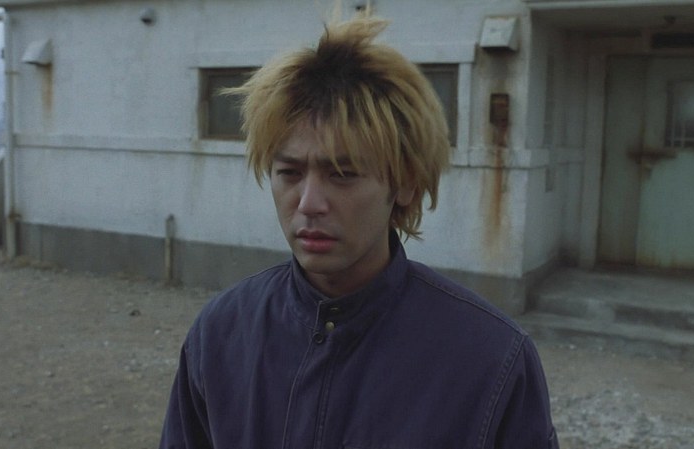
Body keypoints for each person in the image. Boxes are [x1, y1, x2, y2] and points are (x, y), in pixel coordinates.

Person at [159, 14, 559, 449]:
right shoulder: (221, 334)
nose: (309, 203)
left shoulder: (491, 358)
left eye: (343, 174)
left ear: (405, 183)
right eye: (289, 172)